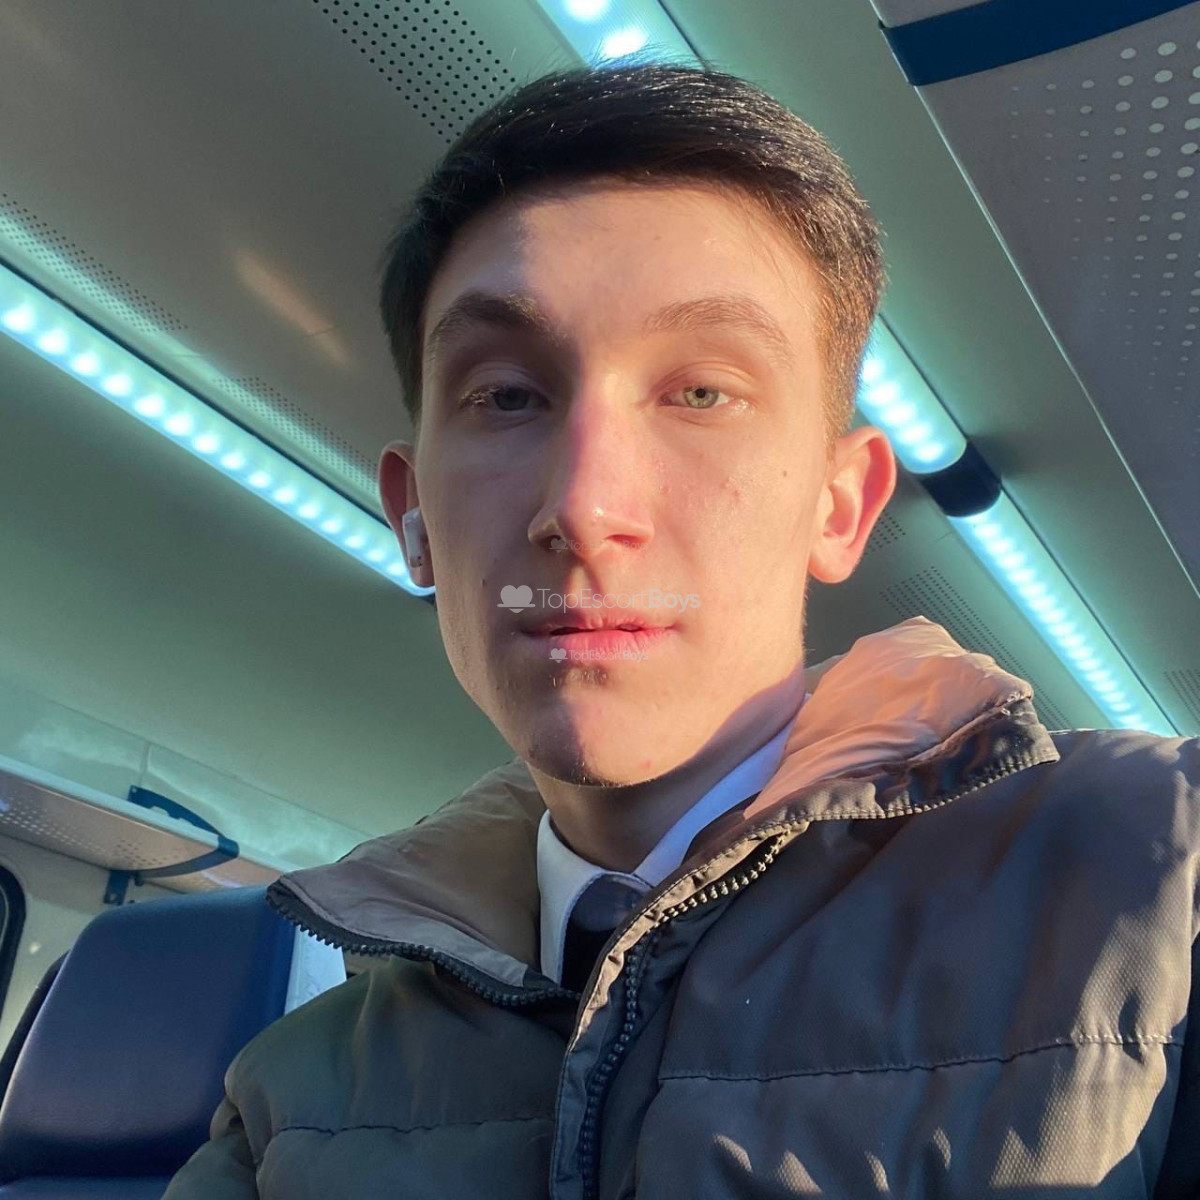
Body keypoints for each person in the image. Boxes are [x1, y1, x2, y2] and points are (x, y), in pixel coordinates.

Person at [165, 59, 1200, 1198]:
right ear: (414, 520)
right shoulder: (289, 1112)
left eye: (703, 392)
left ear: (840, 504)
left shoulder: (1164, 887)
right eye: (507, 395)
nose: (584, 507)